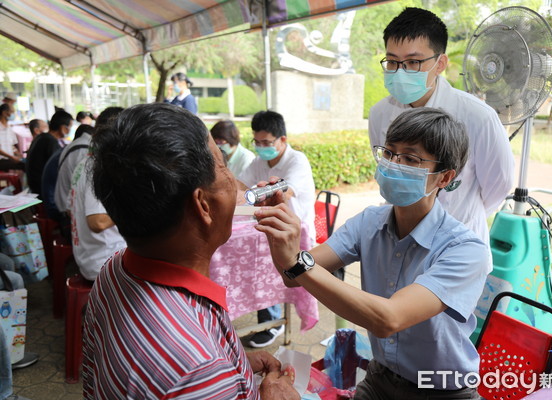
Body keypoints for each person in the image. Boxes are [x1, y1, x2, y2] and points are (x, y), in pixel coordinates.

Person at [256, 108, 488, 399]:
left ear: (444, 178)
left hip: (440, 388)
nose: (393, 164)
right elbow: (294, 276)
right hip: (380, 378)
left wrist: (298, 263)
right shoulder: (369, 222)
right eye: (389, 153)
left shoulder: (465, 249)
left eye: (410, 158)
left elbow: (387, 319)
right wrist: (279, 232)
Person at [82, 103, 298, 400]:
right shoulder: (199, 372)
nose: (233, 183)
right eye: (223, 168)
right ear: (203, 205)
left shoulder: (114, 270)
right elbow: (191, 374)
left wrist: (236, 370)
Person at [369, 7, 514, 271]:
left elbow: (499, 185)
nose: (400, 71)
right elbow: (388, 172)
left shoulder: (477, 117)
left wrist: (460, 210)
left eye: (413, 62)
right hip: (400, 244)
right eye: (392, 62)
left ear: (440, 64)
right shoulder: (380, 114)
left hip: (456, 251)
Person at [237, 110, 316, 348]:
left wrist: (260, 193)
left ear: (283, 139)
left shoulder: (297, 161)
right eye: (257, 142)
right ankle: (268, 316)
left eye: (267, 143)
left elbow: (286, 190)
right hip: (266, 225)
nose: (261, 147)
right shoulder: (259, 161)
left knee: (275, 268)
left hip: (297, 231)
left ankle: (274, 321)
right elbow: (241, 185)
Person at [70, 109, 126, 281]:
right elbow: (98, 222)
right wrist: (137, 207)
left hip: (88, 257)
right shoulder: (101, 167)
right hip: (103, 262)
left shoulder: (85, 162)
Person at [25, 110, 72, 195]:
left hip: (34, 187)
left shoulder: (41, 138)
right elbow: (58, 167)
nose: (70, 130)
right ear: (63, 128)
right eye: (69, 127)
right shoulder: (50, 141)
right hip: (43, 190)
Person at [0, 104, 24, 172]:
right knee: (24, 166)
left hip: (8, 158)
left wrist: (18, 154)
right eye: (12, 112)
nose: (13, 114)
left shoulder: (9, 127)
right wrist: (12, 157)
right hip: (2, 159)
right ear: (4, 113)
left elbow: (12, 145)